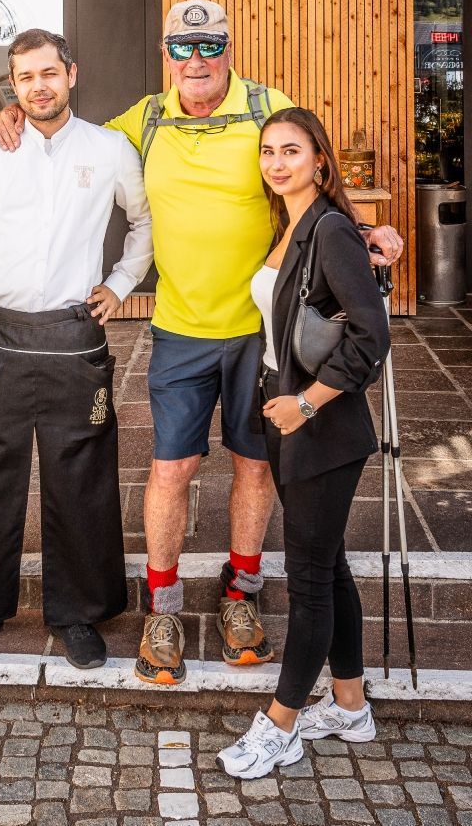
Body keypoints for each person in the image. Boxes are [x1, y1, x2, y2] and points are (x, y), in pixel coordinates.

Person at [0, 0, 403, 685]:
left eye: (211, 46)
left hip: (262, 336)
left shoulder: (267, 105)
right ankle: (164, 605)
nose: (197, 60)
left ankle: (241, 596)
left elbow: (314, 172)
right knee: (172, 468)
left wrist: (365, 232)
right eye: (183, 47)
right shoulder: (144, 119)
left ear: (230, 48)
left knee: (254, 468)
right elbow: (66, 134)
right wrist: (13, 114)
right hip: (178, 329)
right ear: (165, 52)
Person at [0, 28, 153, 670]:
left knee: (80, 472)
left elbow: (143, 223)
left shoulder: (110, 148)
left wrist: (118, 285)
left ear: (71, 74)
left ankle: (79, 613)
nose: (37, 86)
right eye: (24, 78)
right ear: (14, 85)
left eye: (47, 74)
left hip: (72, 333)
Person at [217, 107, 389, 778]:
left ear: (320, 157)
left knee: (309, 580)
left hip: (321, 426)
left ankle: (281, 723)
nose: (277, 162)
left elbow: (371, 338)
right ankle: (350, 706)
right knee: (329, 563)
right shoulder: (292, 226)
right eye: (268, 151)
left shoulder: (331, 228)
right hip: (287, 416)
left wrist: (309, 402)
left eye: (292, 150)